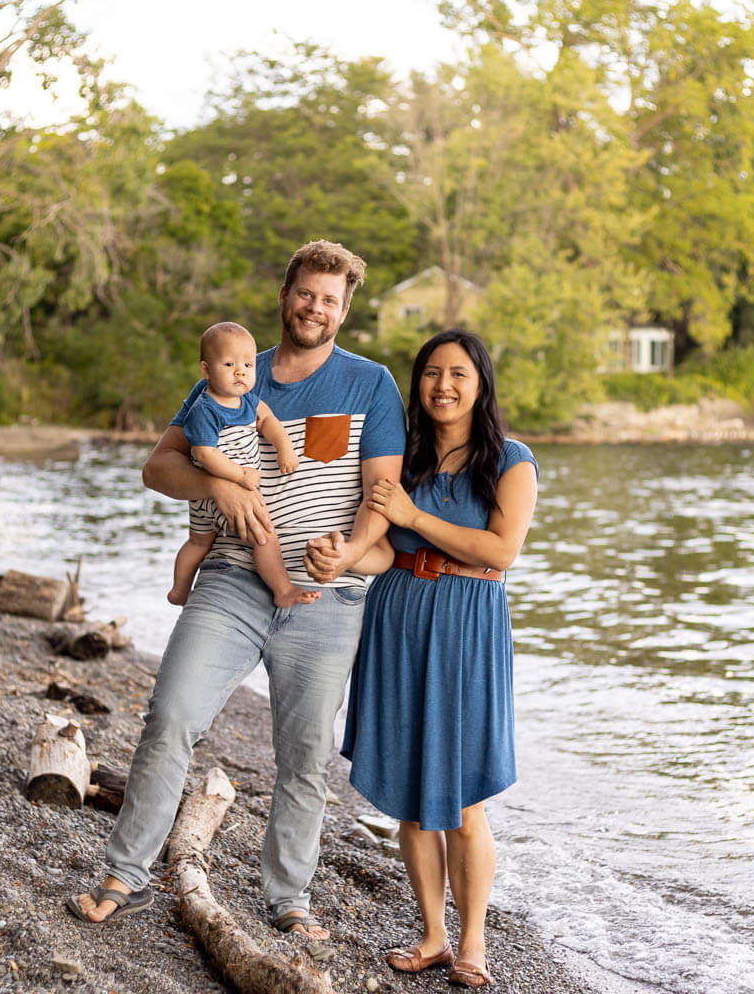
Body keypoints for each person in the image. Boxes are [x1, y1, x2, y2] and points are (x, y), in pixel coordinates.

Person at [68, 240, 406, 944]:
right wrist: (217, 486)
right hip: (230, 580)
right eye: (306, 293)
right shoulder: (233, 371)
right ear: (285, 296)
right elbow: (158, 468)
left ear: (344, 311)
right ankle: (124, 876)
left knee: (305, 756)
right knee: (170, 717)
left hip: (327, 595)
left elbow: (383, 493)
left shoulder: (371, 384)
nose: (315, 308)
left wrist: (349, 551)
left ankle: (289, 898)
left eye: (330, 300)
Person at [339, 329, 539, 989]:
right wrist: (341, 557)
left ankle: (473, 943)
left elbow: (500, 551)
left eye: (457, 374)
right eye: (431, 373)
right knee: (409, 796)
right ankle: (432, 936)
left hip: (467, 626)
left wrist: (414, 516)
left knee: (464, 799)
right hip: (398, 618)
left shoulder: (510, 460)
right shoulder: (403, 457)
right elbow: (383, 549)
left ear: (480, 384)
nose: (443, 386)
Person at [168, 320, 320, 609]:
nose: (240, 371)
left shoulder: (247, 401)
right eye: (229, 364)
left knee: (199, 542)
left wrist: (284, 448)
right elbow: (204, 454)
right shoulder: (205, 409)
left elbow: (268, 420)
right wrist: (240, 476)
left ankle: (179, 591)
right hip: (220, 490)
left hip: (206, 498)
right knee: (264, 535)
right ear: (206, 370)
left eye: (248, 365)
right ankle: (282, 589)